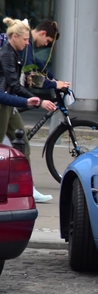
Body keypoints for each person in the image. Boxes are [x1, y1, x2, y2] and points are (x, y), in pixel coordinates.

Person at [0, 17, 57, 203]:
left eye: (27, 40)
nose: (27, 43)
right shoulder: (7, 54)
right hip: (4, 102)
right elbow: (14, 84)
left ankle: (28, 187)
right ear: (14, 37)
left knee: (22, 141)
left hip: (9, 102)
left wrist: (52, 83)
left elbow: (27, 77)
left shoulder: (17, 52)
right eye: (24, 40)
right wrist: (37, 100)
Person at [21, 20, 71, 92]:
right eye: (47, 41)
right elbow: (30, 78)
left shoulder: (28, 46)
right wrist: (55, 84)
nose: (46, 44)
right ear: (42, 33)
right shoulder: (26, 46)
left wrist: (53, 79)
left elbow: (37, 63)